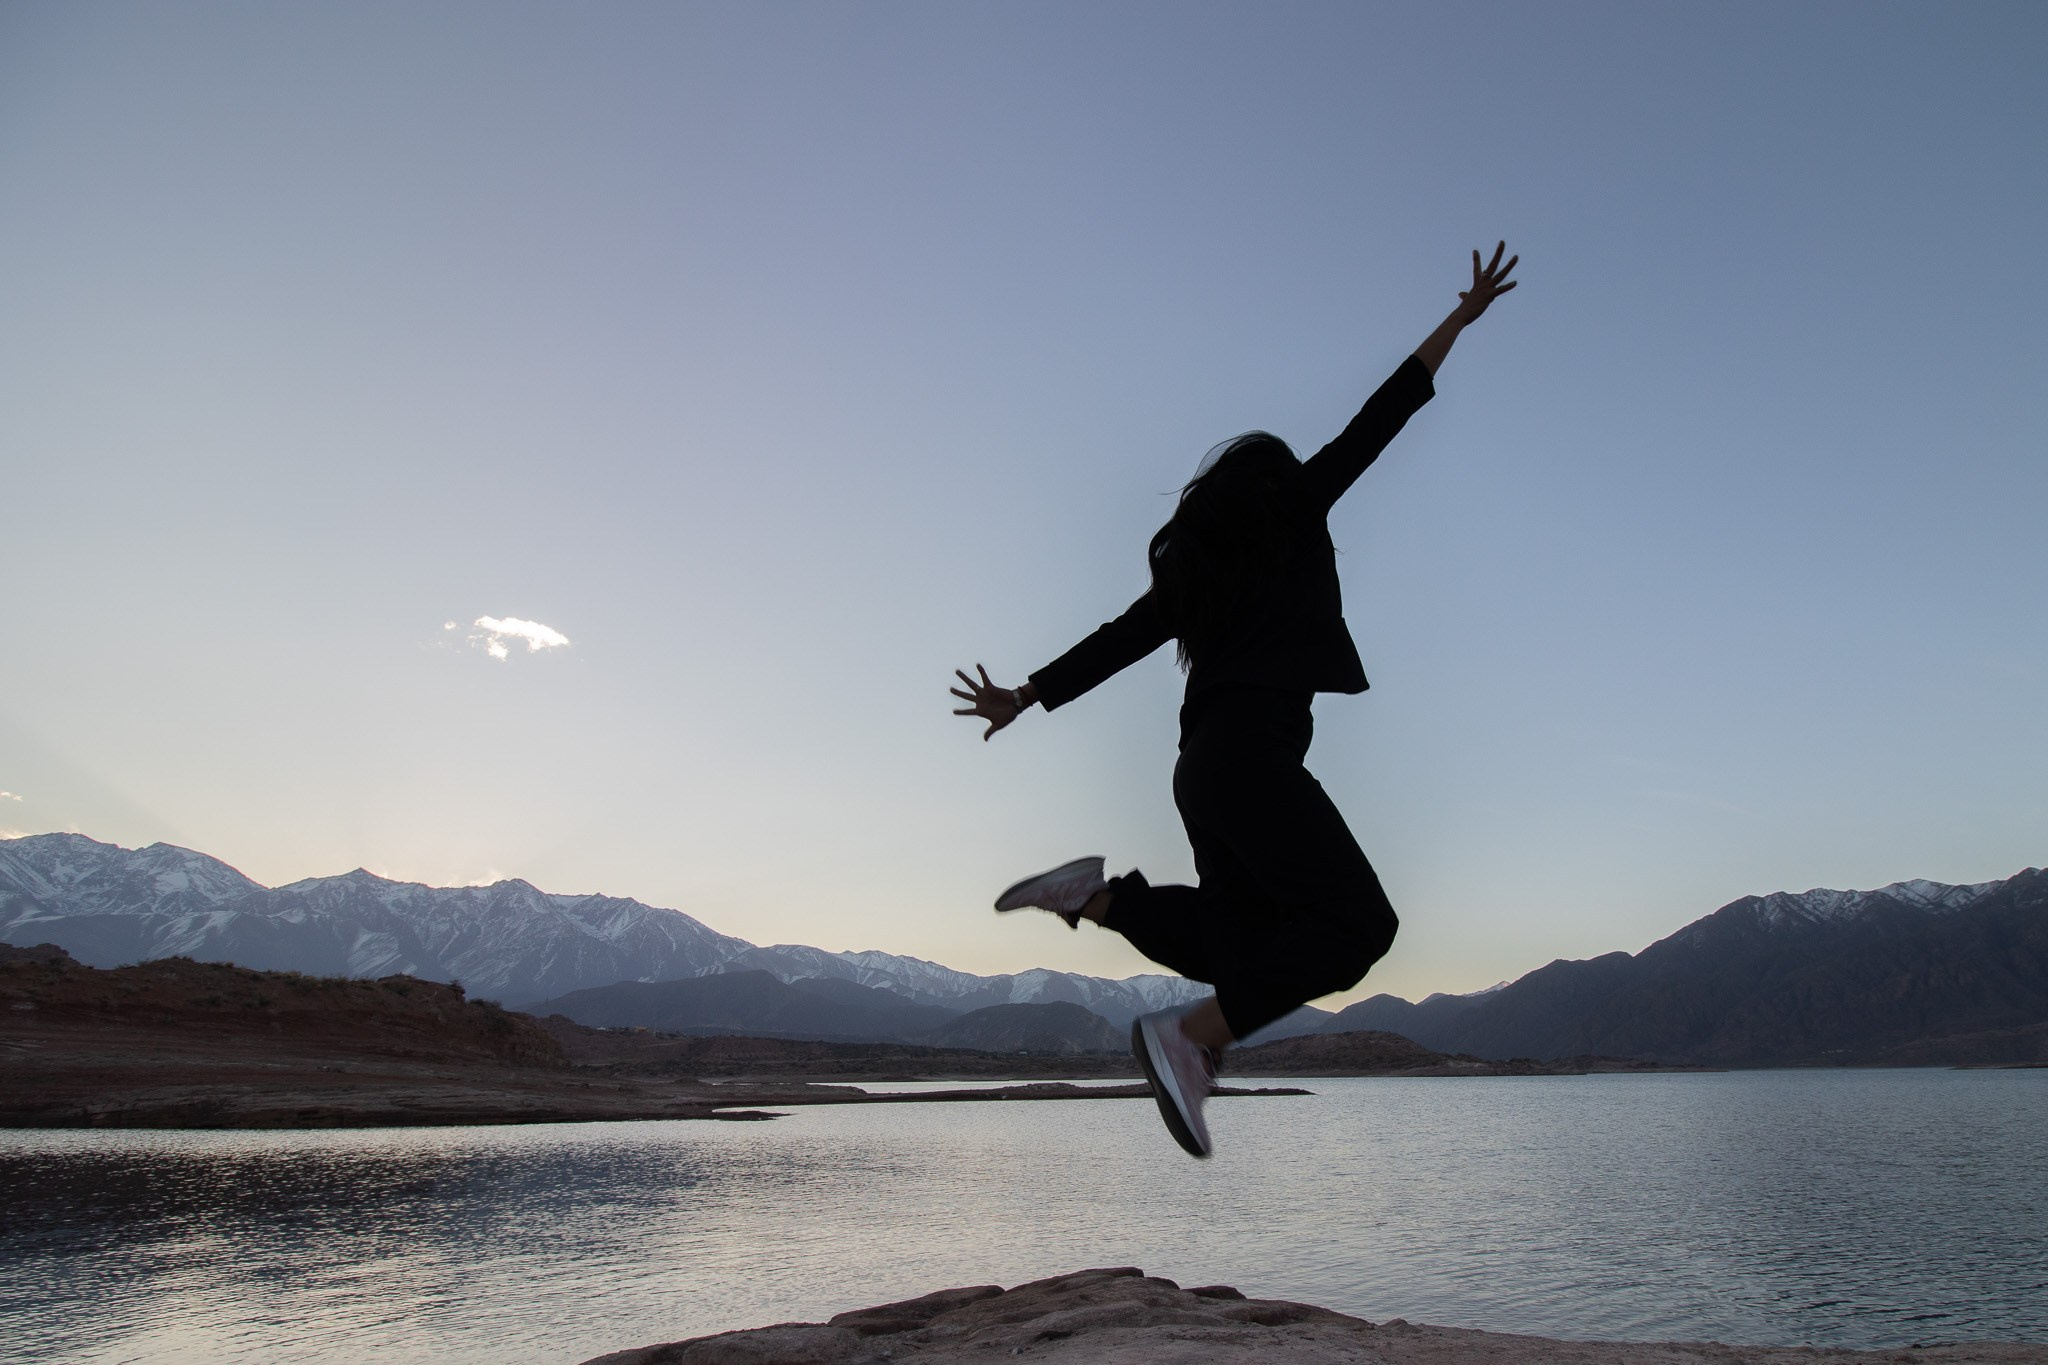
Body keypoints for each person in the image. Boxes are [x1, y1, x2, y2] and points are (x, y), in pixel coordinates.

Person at [952, 244, 1519, 1158]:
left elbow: (1120, 638)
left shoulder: (1197, 576)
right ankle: (1190, 1038)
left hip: (1203, 771)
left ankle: (1096, 898)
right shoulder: (1298, 511)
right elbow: (1384, 416)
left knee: (1242, 940)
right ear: (1275, 487)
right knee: (1359, 926)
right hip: (1253, 761)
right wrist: (1460, 320)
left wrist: (1027, 694)